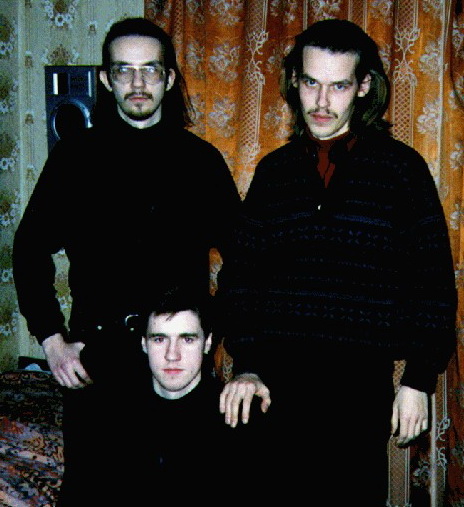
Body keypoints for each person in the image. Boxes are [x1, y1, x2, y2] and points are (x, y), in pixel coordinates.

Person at [216, 19, 457, 505]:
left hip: (356, 390)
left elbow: (432, 282)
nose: (322, 102)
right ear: (294, 82)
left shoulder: (401, 171)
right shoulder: (274, 172)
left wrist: (418, 379)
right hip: (272, 387)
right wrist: (247, 365)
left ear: (363, 87)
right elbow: (241, 277)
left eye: (339, 86)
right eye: (311, 82)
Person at [13, 17, 240, 505]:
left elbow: (247, 262)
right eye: (124, 70)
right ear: (105, 78)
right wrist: (51, 339)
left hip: (176, 365)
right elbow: (29, 249)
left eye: (150, 70)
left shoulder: (200, 162)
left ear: (169, 78)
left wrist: (213, 335)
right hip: (99, 363)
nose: (138, 83)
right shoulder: (75, 159)